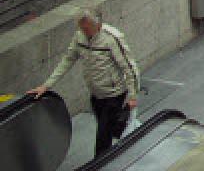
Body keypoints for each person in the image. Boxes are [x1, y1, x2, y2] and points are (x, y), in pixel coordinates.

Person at [28, 8, 140, 158]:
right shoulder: (79, 37)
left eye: (87, 29)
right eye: (82, 28)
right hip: (96, 94)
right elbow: (67, 60)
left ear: (98, 26)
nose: (84, 32)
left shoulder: (112, 38)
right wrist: (46, 85)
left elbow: (129, 67)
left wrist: (132, 96)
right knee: (109, 128)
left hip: (114, 94)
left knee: (103, 135)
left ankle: (99, 163)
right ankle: (127, 130)